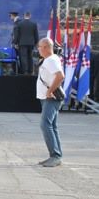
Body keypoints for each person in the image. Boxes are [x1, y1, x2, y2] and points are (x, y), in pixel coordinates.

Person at [36, 38, 64, 167]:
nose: (38, 49)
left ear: (46, 47)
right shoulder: (50, 59)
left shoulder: (51, 60)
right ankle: (56, 155)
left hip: (51, 98)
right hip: (47, 97)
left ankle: (55, 156)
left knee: (45, 124)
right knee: (52, 126)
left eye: (40, 47)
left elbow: (60, 76)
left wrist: (49, 91)